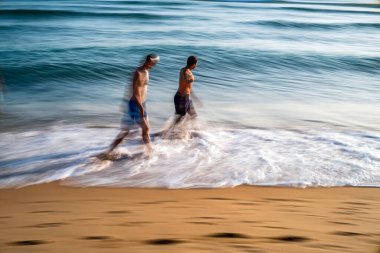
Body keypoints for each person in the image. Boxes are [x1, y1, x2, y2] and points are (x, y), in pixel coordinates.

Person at [106, 54, 159, 156]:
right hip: (136, 104)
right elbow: (136, 92)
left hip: (139, 104)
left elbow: (132, 89)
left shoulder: (145, 72)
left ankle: (149, 151)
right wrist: (140, 107)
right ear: (149, 61)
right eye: (154, 63)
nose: (154, 65)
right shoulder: (139, 73)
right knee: (141, 129)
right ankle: (150, 152)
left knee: (140, 129)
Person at [173, 55, 199, 124]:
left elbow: (188, 86)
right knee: (180, 118)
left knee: (193, 115)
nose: (196, 65)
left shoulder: (184, 70)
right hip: (181, 98)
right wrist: (189, 79)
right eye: (196, 63)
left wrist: (194, 96)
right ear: (194, 64)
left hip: (185, 98)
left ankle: (185, 131)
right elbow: (186, 78)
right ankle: (170, 132)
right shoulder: (186, 71)